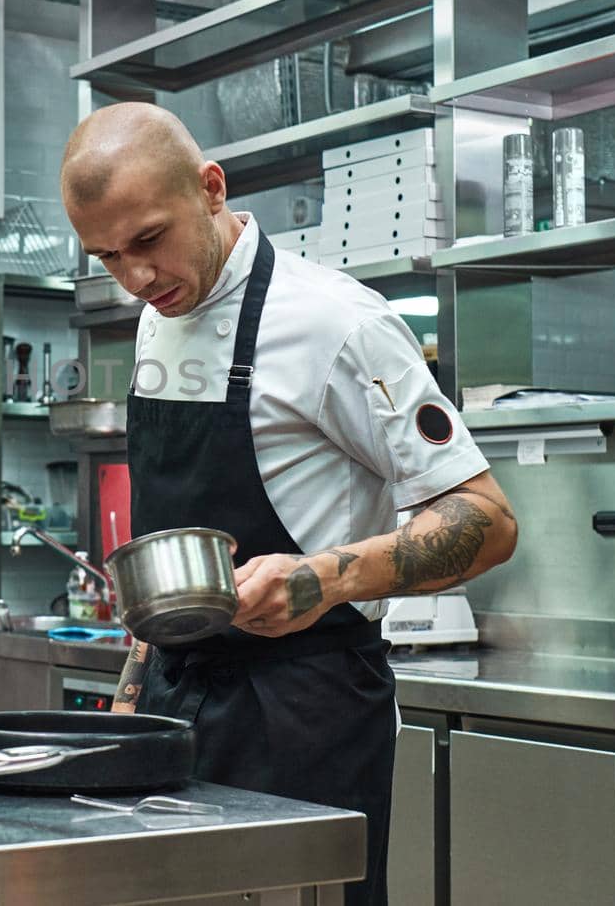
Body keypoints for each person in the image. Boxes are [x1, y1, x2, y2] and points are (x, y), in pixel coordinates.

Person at [59, 103, 516, 906]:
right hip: (176, 698)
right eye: (106, 256)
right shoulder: (155, 320)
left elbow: (484, 520)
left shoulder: (337, 324)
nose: (134, 278)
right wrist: (131, 699)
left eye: (147, 241)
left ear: (210, 188)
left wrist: (323, 579)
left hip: (306, 710)